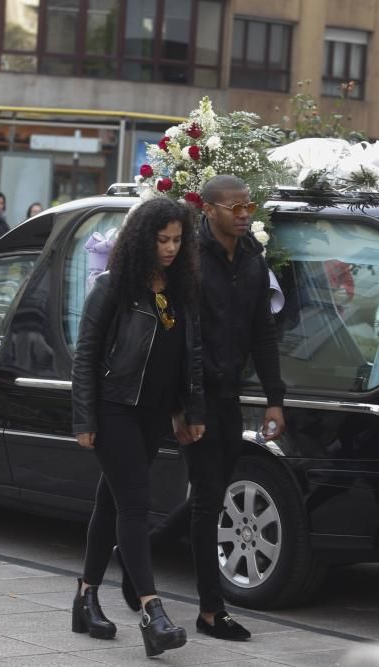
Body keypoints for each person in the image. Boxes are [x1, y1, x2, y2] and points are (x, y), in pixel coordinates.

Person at [128, 174, 286, 641]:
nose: (243, 213)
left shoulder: (254, 262)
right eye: (233, 206)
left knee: (211, 494)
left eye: (248, 206)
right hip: (193, 396)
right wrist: (180, 408)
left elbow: (263, 334)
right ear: (209, 210)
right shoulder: (189, 261)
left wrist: (275, 398)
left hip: (229, 396)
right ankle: (210, 611)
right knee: (209, 498)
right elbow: (175, 339)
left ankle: (142, 548)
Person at [71, 197, 204, 657]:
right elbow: (86, 356)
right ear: (141, 240)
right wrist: (85, 419)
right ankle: (153, 612)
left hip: (153, 413)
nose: (170, 248)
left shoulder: (181, 288)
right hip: (114, 408)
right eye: (162, 239)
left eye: (177, 239)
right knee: (134, 504)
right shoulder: (111, 287)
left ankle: (85, 596)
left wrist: (191, 410)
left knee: (110, 504)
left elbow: (190, 358)